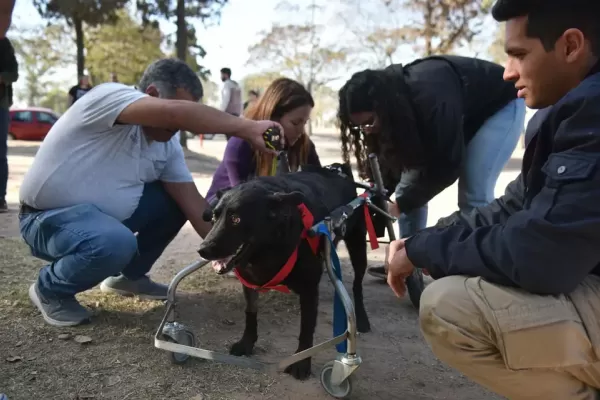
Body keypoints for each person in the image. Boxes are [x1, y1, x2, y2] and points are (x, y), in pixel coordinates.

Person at [386, 1, 600, 399]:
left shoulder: (592, 108)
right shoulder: (572, 110)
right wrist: (426, 240)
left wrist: (426, 249)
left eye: (519, 54)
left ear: (571, 45)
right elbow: (514, 206)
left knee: (450, 307)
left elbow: (541, 257)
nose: (508, 72)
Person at [19, 58, 283, 327]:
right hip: (46, 220)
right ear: (153, 94)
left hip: (101, 222)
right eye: (181, 113)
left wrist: (242, 252)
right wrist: (247, 127)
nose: (181, 127)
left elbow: (193, 205)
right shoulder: (109, 96)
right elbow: (173, 114)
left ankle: (130, 277)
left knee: (173, 202)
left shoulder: (167, 146)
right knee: (116, 242)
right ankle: (49, 289)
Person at [338, 55, 526, 281]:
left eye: (369, 123)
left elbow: (447, 164)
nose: (366, 131)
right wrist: (381, 194)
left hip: (500, 106)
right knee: (409, 185)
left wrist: (401, 204)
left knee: (474, 191)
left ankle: (472, 275)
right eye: (359, 127)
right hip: (463, 113)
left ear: (384, 108)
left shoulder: (430, 95)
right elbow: (396, 166)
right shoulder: (397, 106)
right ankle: (406, 262)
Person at [206, 77, 320, 205]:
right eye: (295, 123)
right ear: (272, 117)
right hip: (226, 212)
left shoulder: (304, 145)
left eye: (304, 123)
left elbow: (319, 184)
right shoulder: (240, 143)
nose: (300, 131)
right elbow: (240, 200)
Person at [0, 37, 18, 213]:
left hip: (0, 106)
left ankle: (0, 198)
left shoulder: (3, 43)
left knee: (0, 153)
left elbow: (13, 74)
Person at [219, 67, 243, 140]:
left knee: (229, 134)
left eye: (221, 74)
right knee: (234, 134)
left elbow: (226, 99)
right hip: (237, 113)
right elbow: (240, 100)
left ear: (226, 75)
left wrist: (221, 111)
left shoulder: (227, 84)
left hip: (229, 113)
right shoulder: (236, 85)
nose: (220, 77)